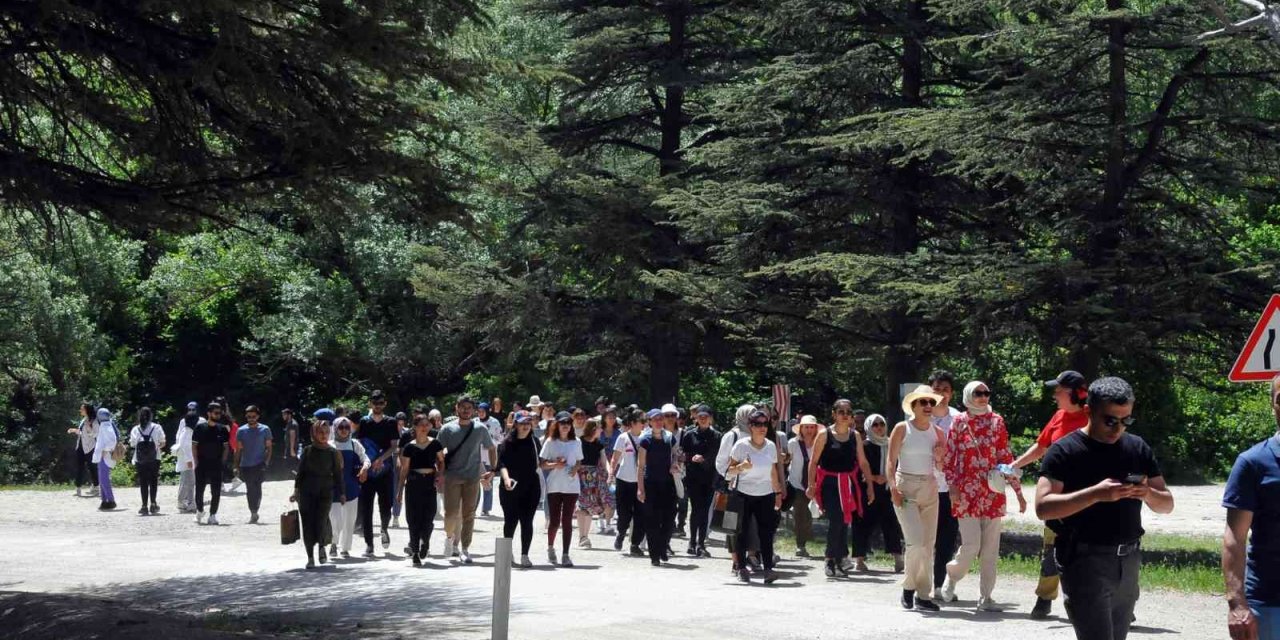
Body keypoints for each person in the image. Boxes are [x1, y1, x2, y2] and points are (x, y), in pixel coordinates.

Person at [1036, 376, 1174, 640]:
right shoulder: (1064, 450)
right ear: (1089, 411)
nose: (1118, 427)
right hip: (1084, 559)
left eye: (1126, 420)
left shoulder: (1137, 448)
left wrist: (1146, 493)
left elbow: (1166, 504)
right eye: (1110, 420)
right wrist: (1096, 494)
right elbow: (1043, 507)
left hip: (1128, 560)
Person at [939, 381, 1026, 611]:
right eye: (978, 393)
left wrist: (1019, 493)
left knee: (990, 549)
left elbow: (1005, 457)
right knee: (971, 545)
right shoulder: (959, 422)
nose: (983, 397)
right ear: (969, 395)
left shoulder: (997, 421)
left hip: (992, 492)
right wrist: (953, 486)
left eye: (986, 393)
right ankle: (952, 575)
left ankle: (986, 597)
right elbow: (949, 458)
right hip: (966, 493)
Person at [1013, 370, 1091, 620]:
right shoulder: (1058, 416)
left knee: (1096, 551)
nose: (1055, 395)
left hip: (1089, 497)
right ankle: (1044, 598)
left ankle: (1110, 602)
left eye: (1059, 390)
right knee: (1052, 547)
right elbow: (1041, 446)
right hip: (1057, 498)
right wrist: (1017, 464)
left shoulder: (1095, 416)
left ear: (1075, 394)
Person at [1223, 373, 1280, 640]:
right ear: (1272, 405)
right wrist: (1236, 603)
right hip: (1270, 604)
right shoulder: (1253, 463)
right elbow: (1235, 537)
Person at [888, 385, 947, 612]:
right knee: (915, 542)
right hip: (906, 486)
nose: (928, 406)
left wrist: (940, 458)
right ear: (913, 406)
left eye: (931, 402)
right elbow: (891, 461)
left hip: (930, 487)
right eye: (923, 402)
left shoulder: (938, 433)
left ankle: (923, 595)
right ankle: (908, 588)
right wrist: (893, 487)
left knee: (928, 545)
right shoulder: (902, 429)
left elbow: (941, 468)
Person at [807, 400, 875, 577]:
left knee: (845, 521)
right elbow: (813, 462)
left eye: (848, 411)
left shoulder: (855, 436)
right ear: (834, 414)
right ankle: (830, 558)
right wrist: (811, 485)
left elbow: (863, 462)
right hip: (829, 483)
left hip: (848, 483)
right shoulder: (824, 434)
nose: (845, 414)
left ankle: (839, 559)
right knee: (837, 519)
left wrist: (869, 485)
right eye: (841, 411)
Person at [438, 394, 497, 564]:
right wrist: (440, 472)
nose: (465, 410)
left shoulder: (480, 429)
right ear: (456, 408)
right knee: (450, 513)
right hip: (452, 476)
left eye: (469, 408)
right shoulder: (447, 429)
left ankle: (464, 548)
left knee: (469, 514)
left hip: (472, 477)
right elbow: (438, 452)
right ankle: (449, 538)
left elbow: (492, 449)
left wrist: (492, 470)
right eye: (462, 407)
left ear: (474, 410)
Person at [727, 409, 785, 584]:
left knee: (766, 533)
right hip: (743, 494)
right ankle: (741, 568)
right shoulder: (741, 445)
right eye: (757, 425)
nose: (762, 428)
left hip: (765, 494)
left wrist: (778, 493)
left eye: (764, 424)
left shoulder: (771, 446)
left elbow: (773, 472)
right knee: (742, 532)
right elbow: (728, 472)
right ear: (750, 426)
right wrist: (741, 467)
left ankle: (768, 569)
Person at [853, 413, 904, 573]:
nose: (879, 427)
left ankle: (898, 559)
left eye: (881, 423)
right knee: (863, 524)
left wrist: (890, 479)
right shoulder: (864, 445)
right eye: (874, 425)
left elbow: (900, 464)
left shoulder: (892, 444)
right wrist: (874, 478)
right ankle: (859, 559)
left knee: (892, 524)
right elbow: (859, 468)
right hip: (868, 489)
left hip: (889, 490)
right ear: (869, 427)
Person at [928, 370, 962, 601]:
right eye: (936, 388)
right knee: (924, 539)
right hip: (924, 485)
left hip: (950, 488)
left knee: (946, 539)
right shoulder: (919, 416)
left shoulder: (959, 418)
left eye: (945, 389)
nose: (940, 393)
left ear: (951, 394)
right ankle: (921, 583)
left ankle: (939, 585)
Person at [293, 421, 343, 569]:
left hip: (325, 491)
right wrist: (295, 491)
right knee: (307, 524)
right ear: (314, 433)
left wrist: (342, 493)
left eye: (326, 432)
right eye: (320, 432)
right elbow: (300, 473)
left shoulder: (333, 452)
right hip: (306, 492)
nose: (324, 435)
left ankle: (322, 546)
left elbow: (338, 474)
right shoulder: (308, 451)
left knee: (321, 520)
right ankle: (310, 557)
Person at [718, 404, 761, 573]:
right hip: (734, 488)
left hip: (756, 487)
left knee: (753, 523)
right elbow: (721, 463)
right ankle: (736, 561)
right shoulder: (732, 436)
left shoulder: (758, 434)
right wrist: (732, 474)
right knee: (732, 525)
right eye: (750, 415)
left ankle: (751, 557)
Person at [357, 390, 399, 556]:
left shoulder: (391, 422)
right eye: (375, 403)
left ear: (385, 404)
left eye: (380, 403)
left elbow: (394, 445)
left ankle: (384, 528)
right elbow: (360, 445)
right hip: (368, 470)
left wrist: (381, 459)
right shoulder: (364, 422)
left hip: (385, 470)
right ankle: (369, 544)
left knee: (386, 505)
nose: (378, 405)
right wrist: (367, 463)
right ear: (370, 404)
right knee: (366, 508)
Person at [399, 413, 444, 566]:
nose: (424, 428)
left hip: (429, 483)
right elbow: (404, 470)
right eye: (421, 425)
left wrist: (440, 474)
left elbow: (441, 462)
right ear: (415, 427)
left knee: (428, 518)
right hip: (413, 484)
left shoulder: (436, 444)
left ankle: (426, 541)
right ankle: (415, 552)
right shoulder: (409, 447)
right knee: (413, 519)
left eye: (427, 425)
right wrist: (399, 491)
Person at [499, 411, 543, 568]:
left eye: (528, 423)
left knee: (527, 521)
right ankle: (507, 553)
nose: (525, 426)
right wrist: (506, 479)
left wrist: (556, 464)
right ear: (515, 424)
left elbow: (541, 462)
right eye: (522, 423)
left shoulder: (534, 441)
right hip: (510, 486)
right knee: (510, 521)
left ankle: (525, 554)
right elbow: (501, 464)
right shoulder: (507, 443)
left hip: (531, 485)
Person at [637, 408, 679, 567]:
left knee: (669, 519)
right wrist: (640, 488)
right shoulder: (645, 440)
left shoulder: (670, 438)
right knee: (652, 520)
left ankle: (662, 546)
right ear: (649, 422)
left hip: (668, 484)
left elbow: (676, 455)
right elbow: (640, 467)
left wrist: (675, 463)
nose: (658, 422)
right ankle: (654, 555)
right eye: (655, 419)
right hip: (650, 484)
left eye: (660, 419)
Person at [540, 411, 583, 566]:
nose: (565, 426)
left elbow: (579, 461)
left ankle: (566, 553)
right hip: (554, 485)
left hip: (571, 485)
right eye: (562, 423)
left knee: (567, 521)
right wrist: (555, 465)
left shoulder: (576, 441)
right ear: (556, 425)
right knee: (554, 520)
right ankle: (550, 548)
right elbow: (542, 463)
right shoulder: (550, 442)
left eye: (568, 424)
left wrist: (575, 469)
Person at [681, 404, 718, 557]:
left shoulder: (717, 436)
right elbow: (683, 455)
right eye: (700, 417)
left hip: (709, 479)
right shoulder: (689, 435)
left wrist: (705, 459)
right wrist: (692, 458)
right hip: (693, 478)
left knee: (704, 510)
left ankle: (701, 543)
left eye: (706, 417)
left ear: (710, 419)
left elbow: (717, 456)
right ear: (696, 418)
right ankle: (692, 542)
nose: (703, 419)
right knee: (696, 510)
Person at [329, 417, 369, 559]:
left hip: (351, 486)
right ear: (335, 428)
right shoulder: (329, 445)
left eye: (347, 427)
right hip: (333, 488)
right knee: (336, 520)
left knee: (349, 520)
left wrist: (364, 468)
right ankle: (333, 544)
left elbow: (365, 459)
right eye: (341, 427)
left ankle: (344, 548)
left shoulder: (354, 444)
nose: (344, 430)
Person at [610, 410, 647, 555]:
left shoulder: (647, 437)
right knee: (624, 512)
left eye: (645, 421)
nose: (644, 424)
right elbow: (615, 458)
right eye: (641, 421)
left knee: (640, 514)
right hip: (624, 479)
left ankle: (635, 544)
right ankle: (621, 533)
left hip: (641, 481)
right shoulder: (623, 437)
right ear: (632, 423)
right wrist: (611, 473)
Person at [576, 420, 614, 548]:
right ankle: (582, 536)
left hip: (594, 478)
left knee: (590, 507)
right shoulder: (579, 442)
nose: (601, 431)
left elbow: (604, 461)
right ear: (593, 429)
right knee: (582, 506)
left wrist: (609, 472)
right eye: (599, 428)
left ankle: (585, 536)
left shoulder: (599, 444)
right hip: (581, 476)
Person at [192, 402, 230, 525]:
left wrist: (223, 462)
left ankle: (213, 515)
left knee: (216, 491)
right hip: (201, 463)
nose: (218, 415)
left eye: (219, 413)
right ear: (209, 413)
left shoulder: (223, 429)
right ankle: (199, 510)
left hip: (216, 464)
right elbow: (194, 446)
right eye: (216, 413)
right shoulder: (199, 428)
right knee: (199, 490)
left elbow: (226, 447)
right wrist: (196, 462)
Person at [786, 414, 818, 559]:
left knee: (809, 515)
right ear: (801, 429)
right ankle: (800, 545)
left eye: (812, 427)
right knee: (800, 514)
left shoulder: (820, 443)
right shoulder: (793, 443)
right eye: (806, 427)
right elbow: (787, 459)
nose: (809, 430)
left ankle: (805, 539)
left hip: (814, 483)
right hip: (796, 483)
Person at [235, 405, 273, 524]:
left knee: (258, 488)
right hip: (246, 464)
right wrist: (236, 465)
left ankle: (255, 509)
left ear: (258, 416)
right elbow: (238, 449)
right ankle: (253, 512)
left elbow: (269, 447)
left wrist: (266, 462)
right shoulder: (241, 431)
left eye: (253, 416)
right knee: (250, 489)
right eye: (249, 416)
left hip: (259, 464)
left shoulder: (265, 429)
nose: (251, 418)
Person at [128, 407, 165, 516]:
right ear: (150, 416)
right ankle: (153, 503)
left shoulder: (135, 429)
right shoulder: (156, 427)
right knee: (153, 481)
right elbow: (163, 442)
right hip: (155, 457)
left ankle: (144, 506)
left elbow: (132, 444)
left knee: (143, 482)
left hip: (140, 459)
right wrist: (156, 446)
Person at [173, 402, 200, 513]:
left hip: (195, 456)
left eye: (193, 410)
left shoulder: (201, 421)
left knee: (191, 481)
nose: (191, 412)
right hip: (186, 458)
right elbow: (181, 441)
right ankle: (183, 502)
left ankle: (190, 502)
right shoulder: (184, 424)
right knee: (186, 480)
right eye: (190, 409)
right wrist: (188, 459)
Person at [66, 403, 99, 497]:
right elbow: (82, 432)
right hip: (80, 447)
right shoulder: (83, 420)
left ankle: (96, 487)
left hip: (90, 448)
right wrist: (74, 430)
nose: (80, 410)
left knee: (92, 468)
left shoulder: (94, 421)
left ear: (87, 410)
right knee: (79, 468)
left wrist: (89, 429)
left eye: (82, 409)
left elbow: (95, 434)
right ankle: (78, 488)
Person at [477, 402, 504, 517]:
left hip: (489, 456)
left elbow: (501, 438)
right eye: (479, 411)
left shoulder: (495, 422)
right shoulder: (474, 422)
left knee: (488, 482)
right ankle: (473, 506)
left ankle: (486, 508)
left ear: (487, 411)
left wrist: (490, 442)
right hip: (476, 457)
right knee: (475, 483)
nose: (481, 414)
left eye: (483, 411)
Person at [91, 408, 119, 511]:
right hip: (102, 457)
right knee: (101, 478)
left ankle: (111, 501)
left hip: (105, 456)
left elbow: (112, 441)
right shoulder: (106, 425)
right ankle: (104, 501)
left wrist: (105, 450)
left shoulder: (106, 425)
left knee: (103, 479)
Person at [391, 411, 408, 528]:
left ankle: (396, 516)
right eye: (398, 423)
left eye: (402, 424)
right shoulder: (388, 432)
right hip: (389, 460)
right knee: (388, 488)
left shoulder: (406, 433)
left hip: (401, 461)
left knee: (399, 488)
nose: (400, 426)